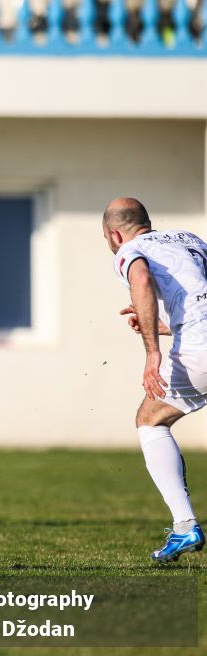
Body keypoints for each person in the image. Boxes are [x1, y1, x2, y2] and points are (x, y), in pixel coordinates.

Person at [105, 197, 205, 563]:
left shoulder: (129, 250)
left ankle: (184, 526)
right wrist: (162, 327)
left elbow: (142, 278)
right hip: (199, 337)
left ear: (115, 234)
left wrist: (152, 352)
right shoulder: (190, 240)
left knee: (150, 420)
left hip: (200, 347)